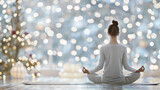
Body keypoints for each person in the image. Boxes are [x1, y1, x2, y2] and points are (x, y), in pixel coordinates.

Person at [82, 20, 145, 85]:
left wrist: (88, 71)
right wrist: (136, 71)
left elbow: (100, 66)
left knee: (89, 75)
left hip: (105, 80)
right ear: (118, 33)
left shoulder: (103, 48)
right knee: (137, 74)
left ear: (108, 33)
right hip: (120, 80)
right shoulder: (123, 48)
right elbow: (126, 66)